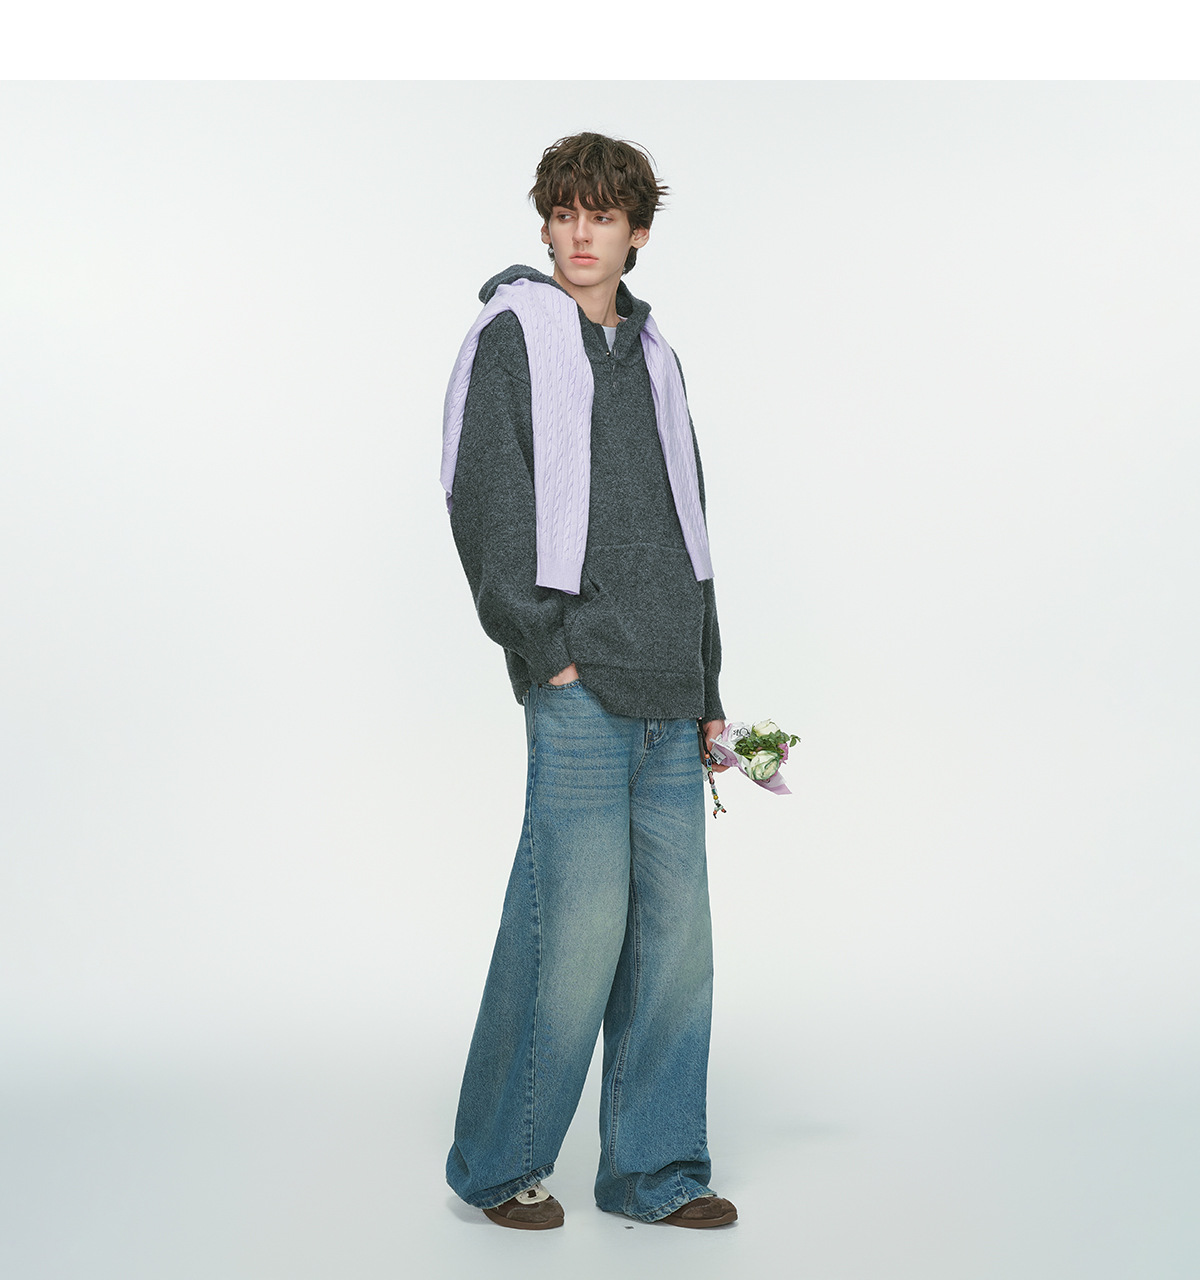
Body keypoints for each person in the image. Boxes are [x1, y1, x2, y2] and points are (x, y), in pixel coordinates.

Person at [440, 132, 736, 1231]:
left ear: (636, 232)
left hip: (669, 684)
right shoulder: (513, 335)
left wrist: (709, 682)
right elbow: (484, 496)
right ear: (546, 223)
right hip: (580, 682)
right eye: (564, 213)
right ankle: (498, 1165)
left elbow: (690, 524)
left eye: (601, 216)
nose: (579, 234)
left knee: (675, 950)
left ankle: (655, 1173)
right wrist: (542, 644)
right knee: (567, 934)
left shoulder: (656, 356)